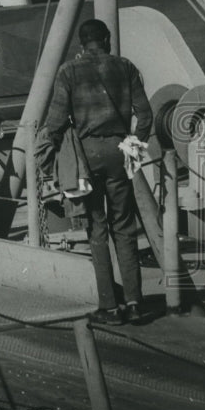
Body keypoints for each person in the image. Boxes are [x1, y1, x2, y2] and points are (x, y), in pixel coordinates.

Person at [43, 18, 153, 326]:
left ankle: (109, 306)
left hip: (87, 157)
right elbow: (145, 115)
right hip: (120, 153)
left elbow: (54, 122)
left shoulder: (69, 71)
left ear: (81, 44)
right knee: (125, 227)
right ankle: (134, 303)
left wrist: (56, 153)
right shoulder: (126, 67)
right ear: (106, 40)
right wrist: (134, 146)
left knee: (96, 229)